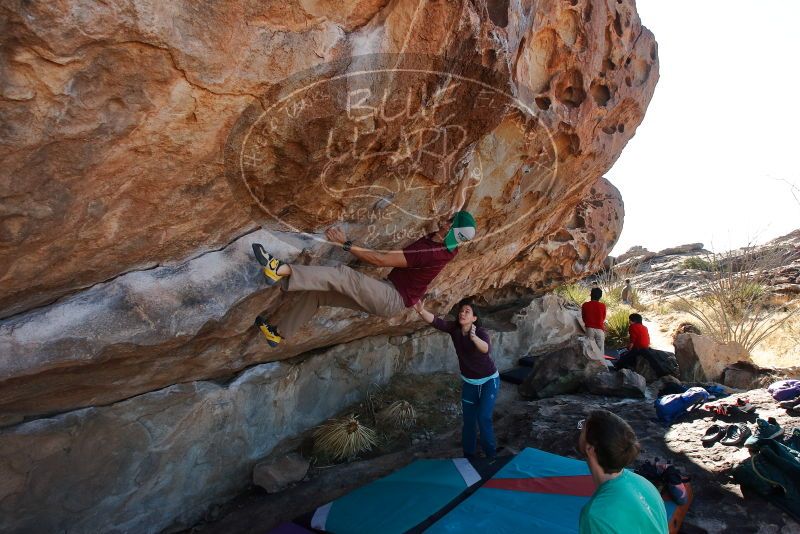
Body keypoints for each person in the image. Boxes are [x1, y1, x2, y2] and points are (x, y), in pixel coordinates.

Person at [251, 211, 477, 346]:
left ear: (451, 230)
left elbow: (380, 260)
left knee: (342, 274)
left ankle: (279, 269)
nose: (446, 220)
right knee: (319, 294)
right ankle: (278, 334)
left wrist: (346, 244)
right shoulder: (447, 242)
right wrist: (466, 181)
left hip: (391, 298)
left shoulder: (432, 253)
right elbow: (457, 206)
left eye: (450, 221)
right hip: (388, 291)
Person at [413, 298, 499, 461]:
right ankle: (469, 457)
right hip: (470, 383)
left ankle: (491, 456)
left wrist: (474, 338)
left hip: (489, 381)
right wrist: (420, 311)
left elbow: (486, 349)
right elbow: (437, 322)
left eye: (467, 311)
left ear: (474, 318)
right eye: (461, 311)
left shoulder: (480, 332)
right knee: (468, 421)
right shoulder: (454, 329)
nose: (462, 313)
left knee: (483, 417)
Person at [577, 410, 668, 534]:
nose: (580, 429)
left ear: (590, 449)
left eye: (582, 427)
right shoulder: (643, 483)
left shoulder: (596, 516)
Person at [581, 287, 607, 354]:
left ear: (591, 294)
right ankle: (600, 363)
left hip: (589, 328)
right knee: (600, 350)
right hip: (600, 329)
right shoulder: (603, 306)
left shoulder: (585, 305)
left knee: (589, 349)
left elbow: (583, 317)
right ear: (600, 296)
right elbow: (603, 318)